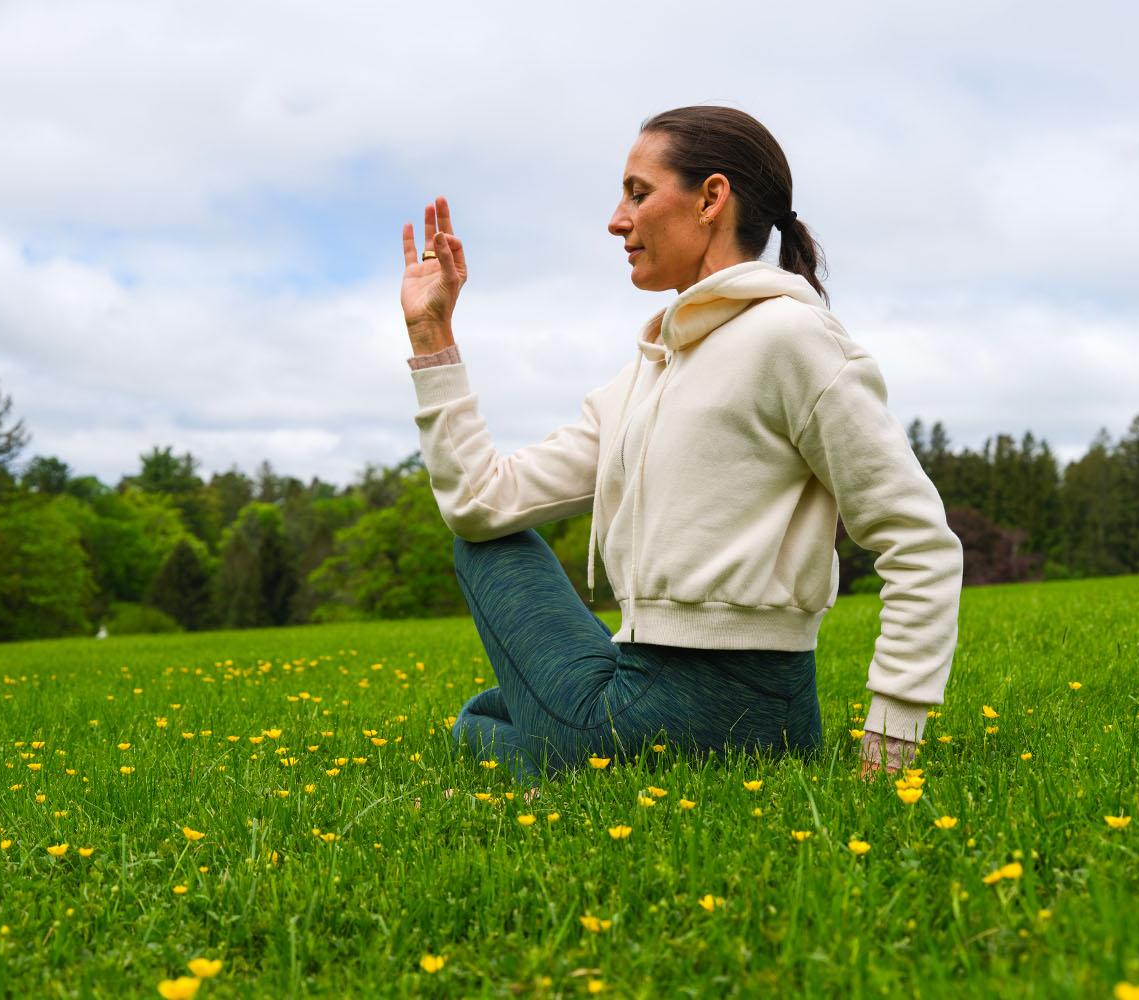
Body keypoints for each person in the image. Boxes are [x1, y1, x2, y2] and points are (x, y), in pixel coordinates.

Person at [399, 105, 963, 788]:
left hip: (661, 717)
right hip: (778, 716)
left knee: (480, 721)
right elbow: (482, 499)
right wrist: (433, 335)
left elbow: (921, 542)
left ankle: (555, 759)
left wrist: (891, 740)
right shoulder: (645, 377)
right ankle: (554, 741)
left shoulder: (790, 338)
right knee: (498, 629)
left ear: (710, 198)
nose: (616, 218)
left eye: (638, 192)